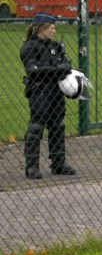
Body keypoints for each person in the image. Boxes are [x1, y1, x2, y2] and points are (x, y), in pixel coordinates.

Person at [20, 12, 77, 179]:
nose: (54, 31)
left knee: (58, 126)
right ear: (42, 28)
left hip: (56, 92)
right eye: (51, 28)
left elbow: (67, 64)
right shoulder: (29, 47)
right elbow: (33, 71)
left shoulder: (55, 46)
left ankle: (58, 164)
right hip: (40, 92)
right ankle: (32, 166)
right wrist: (57, 70)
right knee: (36, 127)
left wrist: (57, 69)